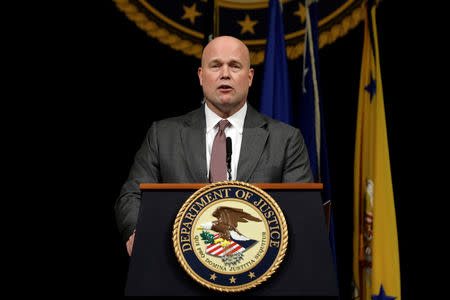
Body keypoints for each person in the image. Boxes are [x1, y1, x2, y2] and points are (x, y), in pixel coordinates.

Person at [115, 36, 313, 256]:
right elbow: (131, 196)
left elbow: (301, 210)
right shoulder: (162, 135)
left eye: (234, 66)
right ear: (201, 76)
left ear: (250, 77)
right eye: (216, 65)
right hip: (177, 265)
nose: (225, 74)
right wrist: (139, 231)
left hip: (258, 269)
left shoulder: (286, 140)